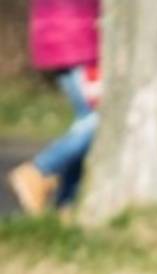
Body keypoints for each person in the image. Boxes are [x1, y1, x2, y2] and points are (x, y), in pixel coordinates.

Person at [7, 0, 101, 215]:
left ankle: (65, 205)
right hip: (82, 37)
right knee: (98, 120)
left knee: (85, 121)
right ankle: (39, 170)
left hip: (63, 36)